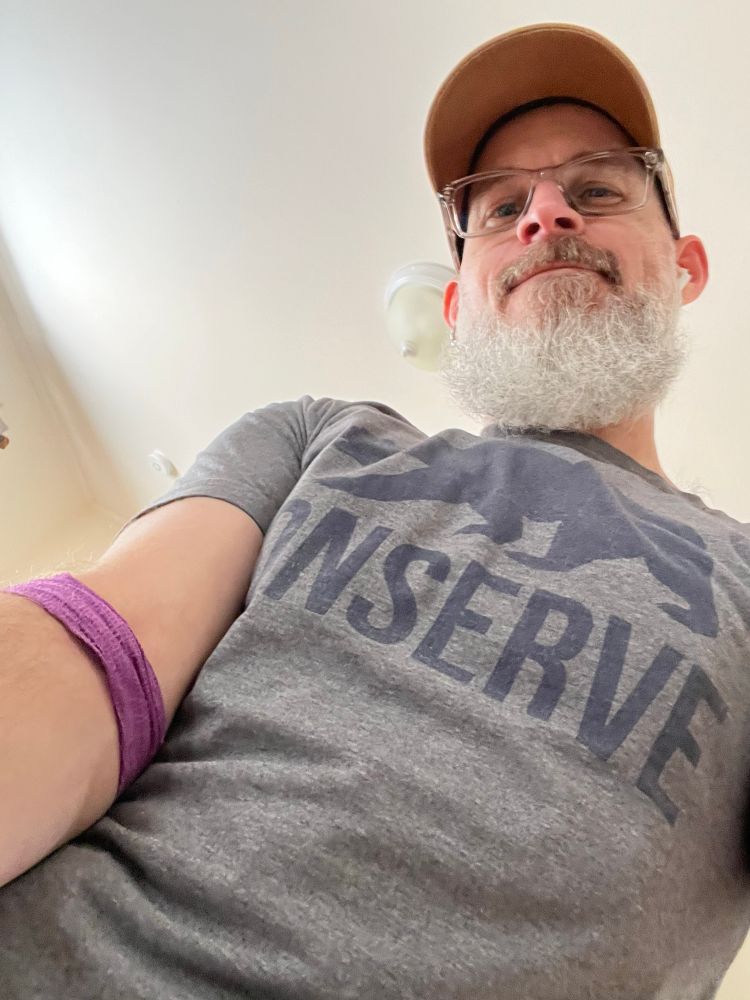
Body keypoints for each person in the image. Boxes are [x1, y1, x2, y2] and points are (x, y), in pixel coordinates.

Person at [0, 21, 747, 1000]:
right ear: (456, 309)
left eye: (598, 190)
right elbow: (101, 649)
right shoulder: (317, 437)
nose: (546, 216)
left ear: (685, 267)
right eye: (501, 208)